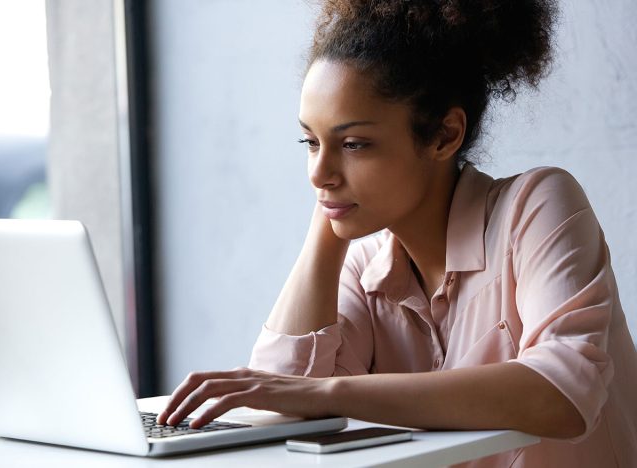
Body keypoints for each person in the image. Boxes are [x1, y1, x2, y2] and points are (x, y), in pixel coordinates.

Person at [157, 1, 637, 466]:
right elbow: (277, 406)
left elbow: (564, 394)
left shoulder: (536, 205)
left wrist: (331, 394)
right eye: (310, 141)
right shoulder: (362, 267)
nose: (317, 172)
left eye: (353, 144)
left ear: (444, 135)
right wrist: (329, 224)